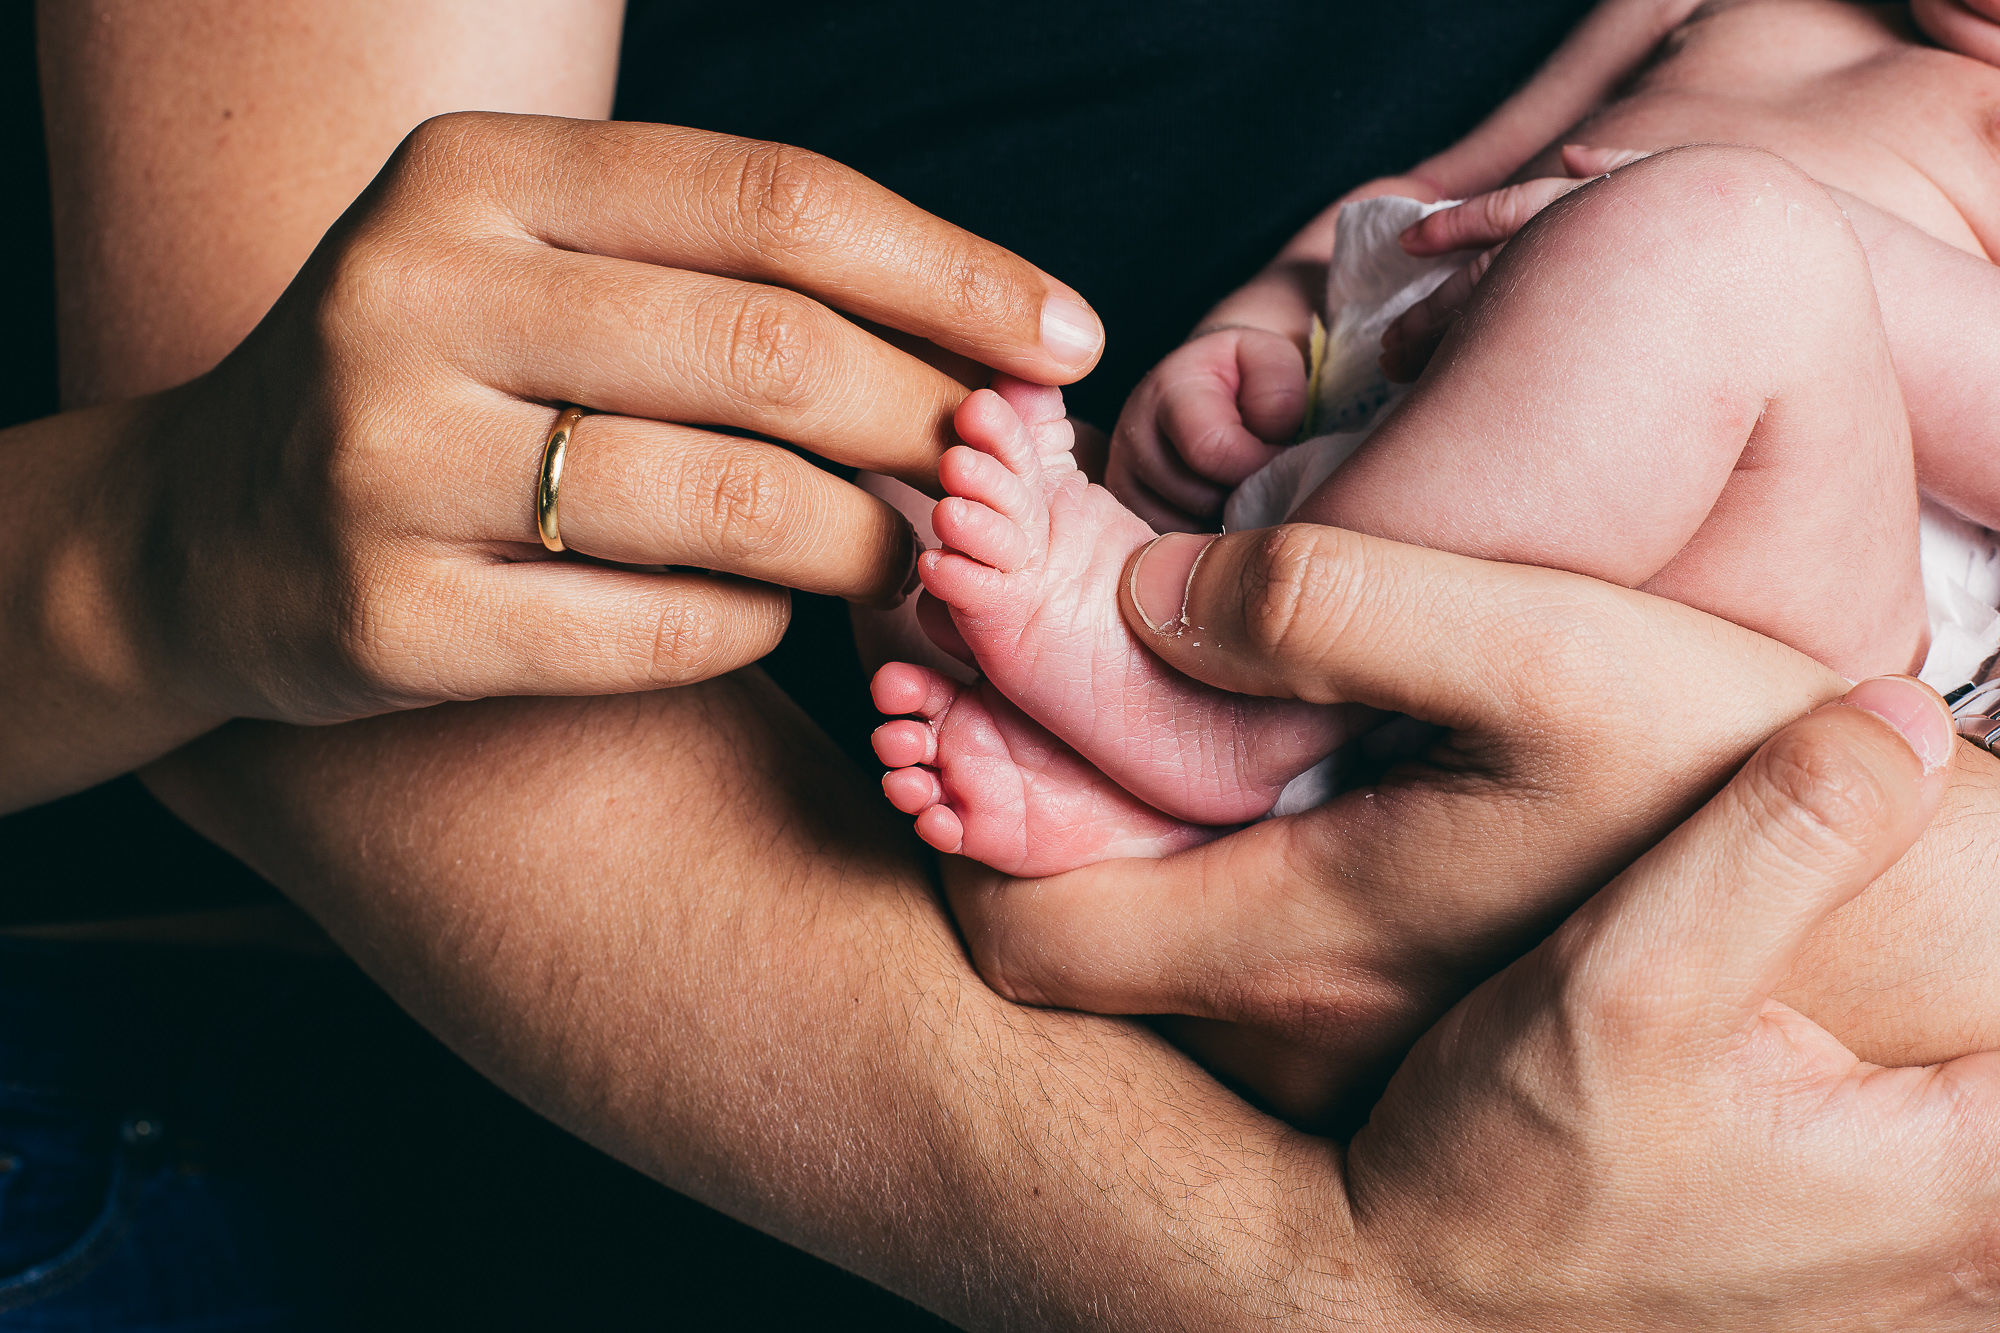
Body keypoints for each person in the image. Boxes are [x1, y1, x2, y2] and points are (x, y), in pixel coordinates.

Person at [11, 1, 2000, 1325]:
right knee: (1673, 246)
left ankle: (1197, 710)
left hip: (1788, 609)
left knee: (1722, 246)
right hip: (1411, 477)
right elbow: (1451, 197)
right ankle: (1145, 742)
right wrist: (1280, 334)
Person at [869, 0, 2000, 868]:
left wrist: (1749, 224)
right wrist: (1259, 320)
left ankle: (1222, 718)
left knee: (1735, 241)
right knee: (905, 481)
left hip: (1759, 568)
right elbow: (1437, 191)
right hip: (1396, 442)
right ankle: (1153, 811)